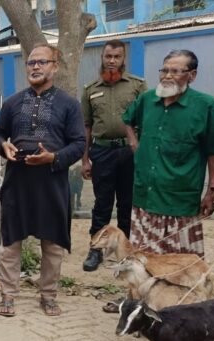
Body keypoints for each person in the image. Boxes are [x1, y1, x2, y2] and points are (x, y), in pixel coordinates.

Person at [0, 44, 86, 317]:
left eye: (42, 62)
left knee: (53, 242)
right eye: (31, 63)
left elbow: (79, 143)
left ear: (55, 66)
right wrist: (3, 146)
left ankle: (48, 295)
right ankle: (8, 295)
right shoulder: (12, 103)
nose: (35, 67)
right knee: (10, 241)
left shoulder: (69, 104)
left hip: (51, 182)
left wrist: (53, 157)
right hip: (17, 181)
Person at [123, 49, 214, 257]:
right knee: (143, 261)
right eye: (164, 70)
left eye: (175, 71)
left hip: (180, 202)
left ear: (192, 75)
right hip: (145, 196)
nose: (167, 76)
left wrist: (210, 192)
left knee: (180, 264)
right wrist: (134, 144)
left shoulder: (206, 106)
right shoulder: (147, 99)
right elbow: (127, 120)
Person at [81, 39, 146, 273]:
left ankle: (125, 252)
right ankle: (96, 250)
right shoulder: (90, 90)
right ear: (102, 57)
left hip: (129, 152)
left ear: (123, 59)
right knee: (102, 204)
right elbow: (86, 126)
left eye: (116, 57)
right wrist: (85, 159)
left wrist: (142, 153)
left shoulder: (137, 86)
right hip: (102, 152)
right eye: (108, 56)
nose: (112, 61)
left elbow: (146, 121)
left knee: (128, 203)